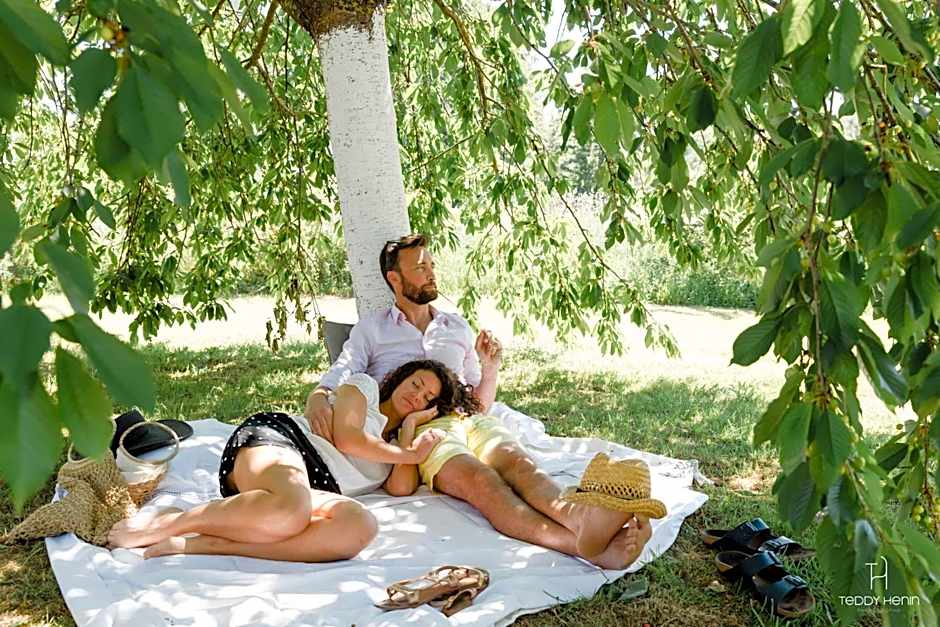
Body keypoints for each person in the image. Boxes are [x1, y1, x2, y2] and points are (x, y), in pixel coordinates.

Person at [304, 234, 652, 569]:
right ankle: (584, 547)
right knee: (483, 481)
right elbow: (343, 371)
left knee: (519, 465)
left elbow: (478, 403)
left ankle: (580, 518)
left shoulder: (455, 326)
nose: (431, 274)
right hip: (425, 429)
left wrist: (490, 368)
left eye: (432, 266)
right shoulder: (373, 330)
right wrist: (318, 396)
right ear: (395, 278)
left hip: (467, 418)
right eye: (421, 268)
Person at [108, 360, 478, 562]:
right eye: (416, 384)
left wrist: (409, 431)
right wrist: (408, 454)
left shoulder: (397, 444)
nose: (417, 395)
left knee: (360, 526)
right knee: (293, 509)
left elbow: (400, 488)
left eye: (427, 398)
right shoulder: (363, 388)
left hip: (309, 491)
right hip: (282, 444)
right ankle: (174, 523)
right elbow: (347, 437)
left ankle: (206, 544)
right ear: (400, 378)